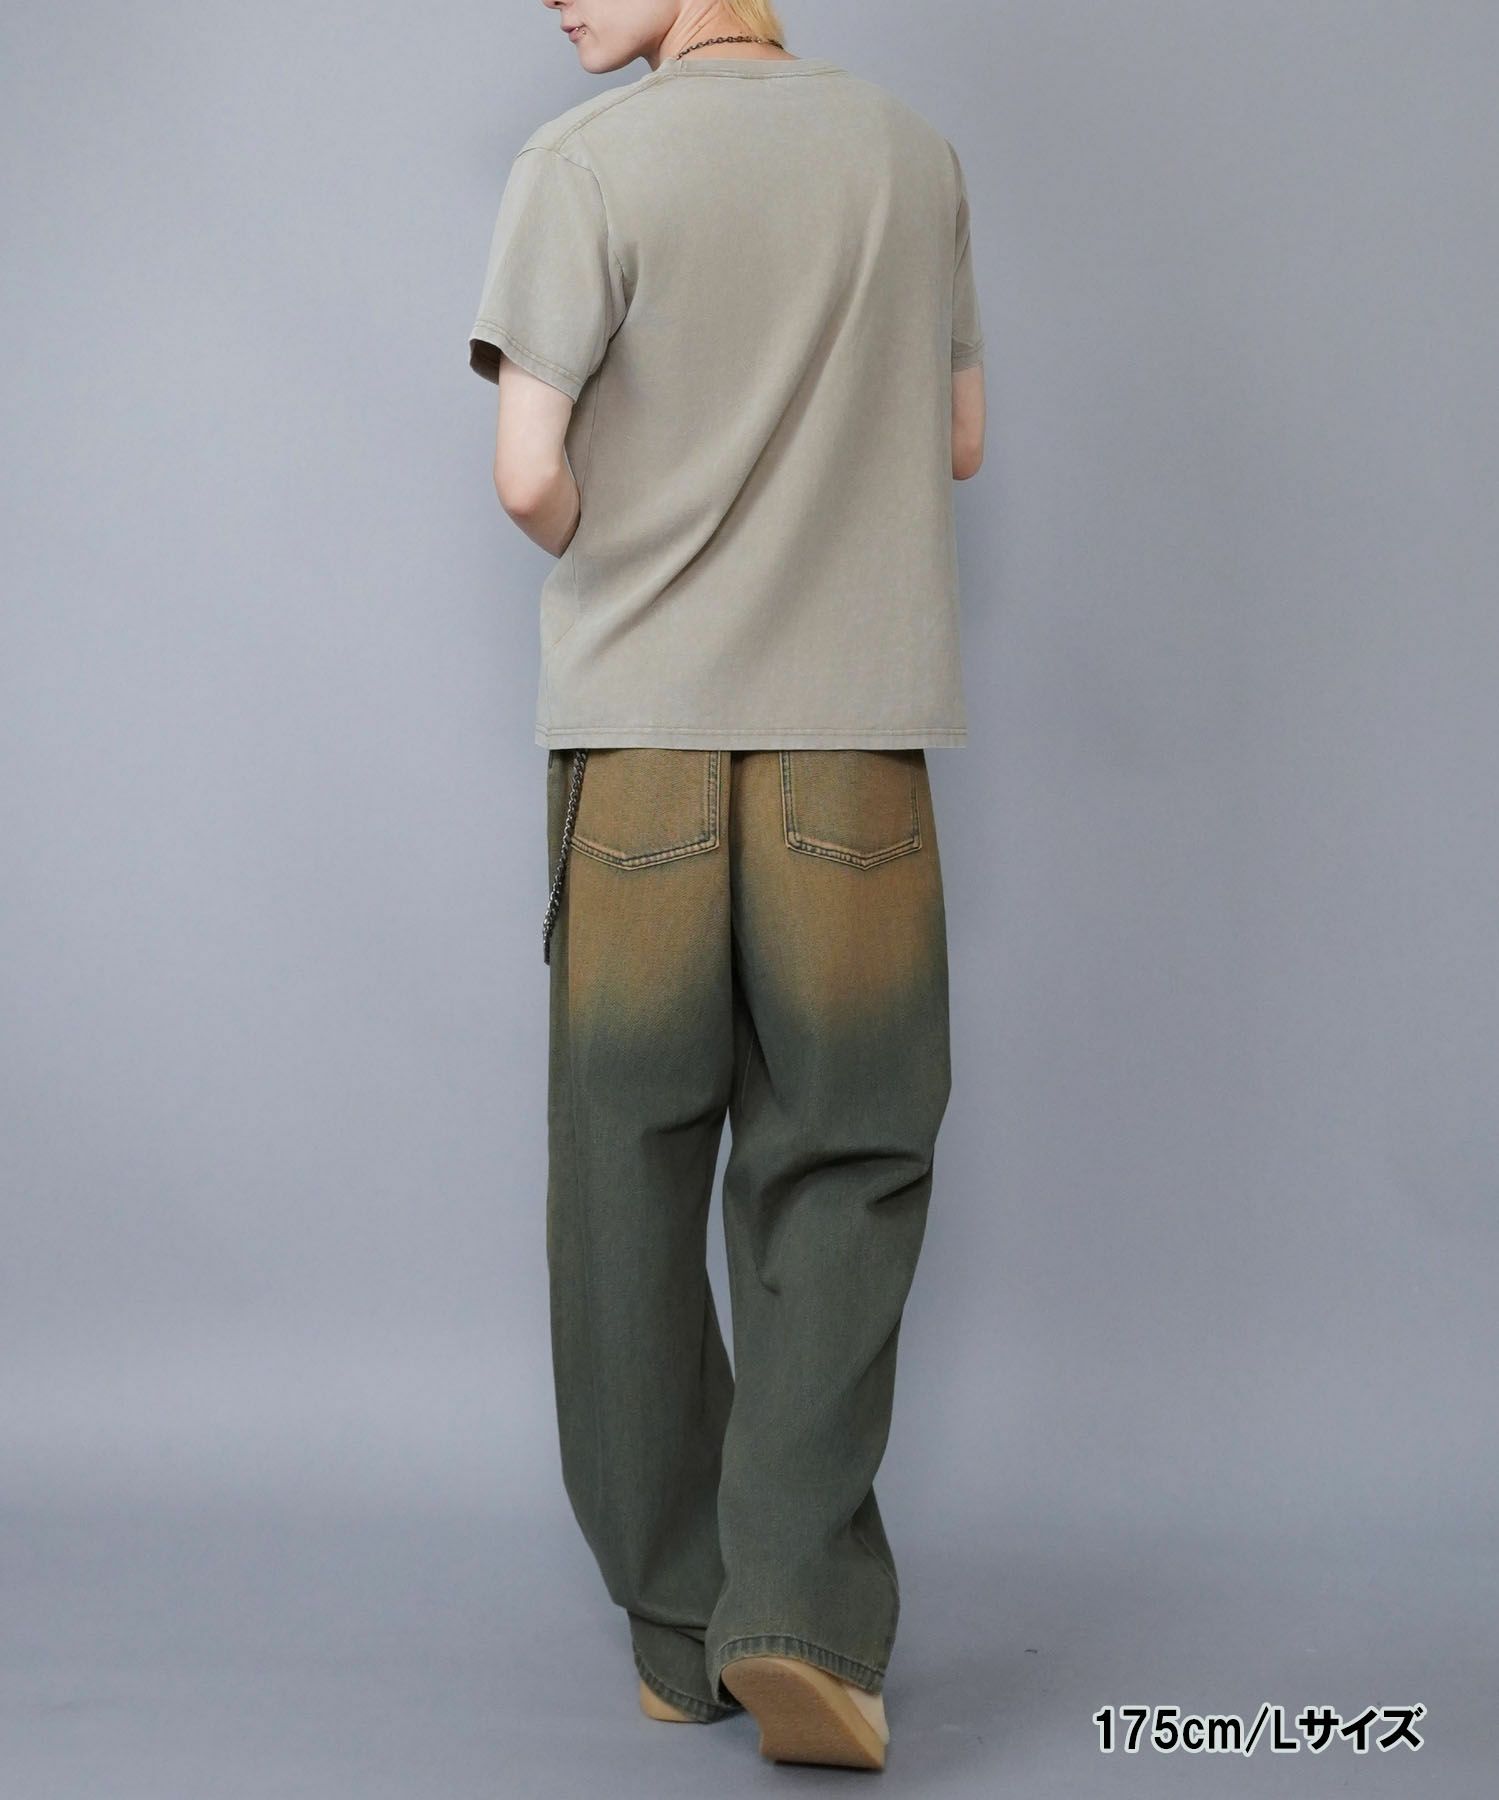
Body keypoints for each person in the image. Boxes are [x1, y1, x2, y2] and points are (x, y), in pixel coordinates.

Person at [467, 0, 985, 1772]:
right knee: (845, 1161)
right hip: (855, 745)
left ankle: (679, 1633)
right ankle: (802, 1615)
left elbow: (526, 475)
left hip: (640, 752)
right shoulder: (914, 159)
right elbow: (958, 441)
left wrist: (642, 545)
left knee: (625, 1178)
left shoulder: (581, 165)